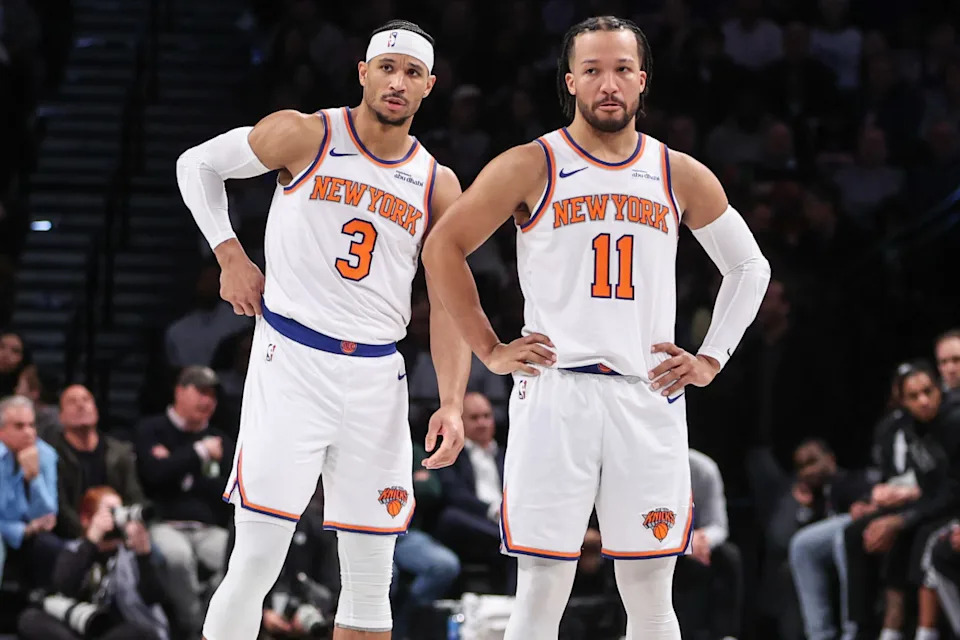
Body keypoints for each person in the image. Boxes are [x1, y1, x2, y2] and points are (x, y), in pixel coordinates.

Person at [421, 15, 771, 640]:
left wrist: (712, 357)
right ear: (571, 83)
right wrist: (490, 350)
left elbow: (749, 266)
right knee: (541, 592)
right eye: (592, 71)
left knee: (652, 596)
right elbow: (442, 247)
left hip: (648, 392)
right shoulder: (532, 163)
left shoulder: (678, 172)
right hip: (557, 392)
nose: (608, 84)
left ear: (642, 81)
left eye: (620, 70)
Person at [176, 19, 470, 640]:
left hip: (377, 378)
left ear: (429, 87)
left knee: (370, 575)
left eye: (411, 73)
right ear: (362, 72)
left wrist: (449, 400)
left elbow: (447, 303)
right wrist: (230, 254)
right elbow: (195, 164)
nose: (397, 81)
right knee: (256, 559)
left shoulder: (438, 183)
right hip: (293, 362)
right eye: (386, 67)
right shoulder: (304, 133)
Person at [16, 486, 169, 640]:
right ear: (86, 519)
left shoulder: (133, 554)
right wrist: (91, 541)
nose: (116, 519)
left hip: (117, 629)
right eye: (110, 512)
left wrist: (144, 557)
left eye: (120, 510)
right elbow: (63, 584)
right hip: (78, 627)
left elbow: (154, 597)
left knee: (139, 632)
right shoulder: (75, 550)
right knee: (29, 619)